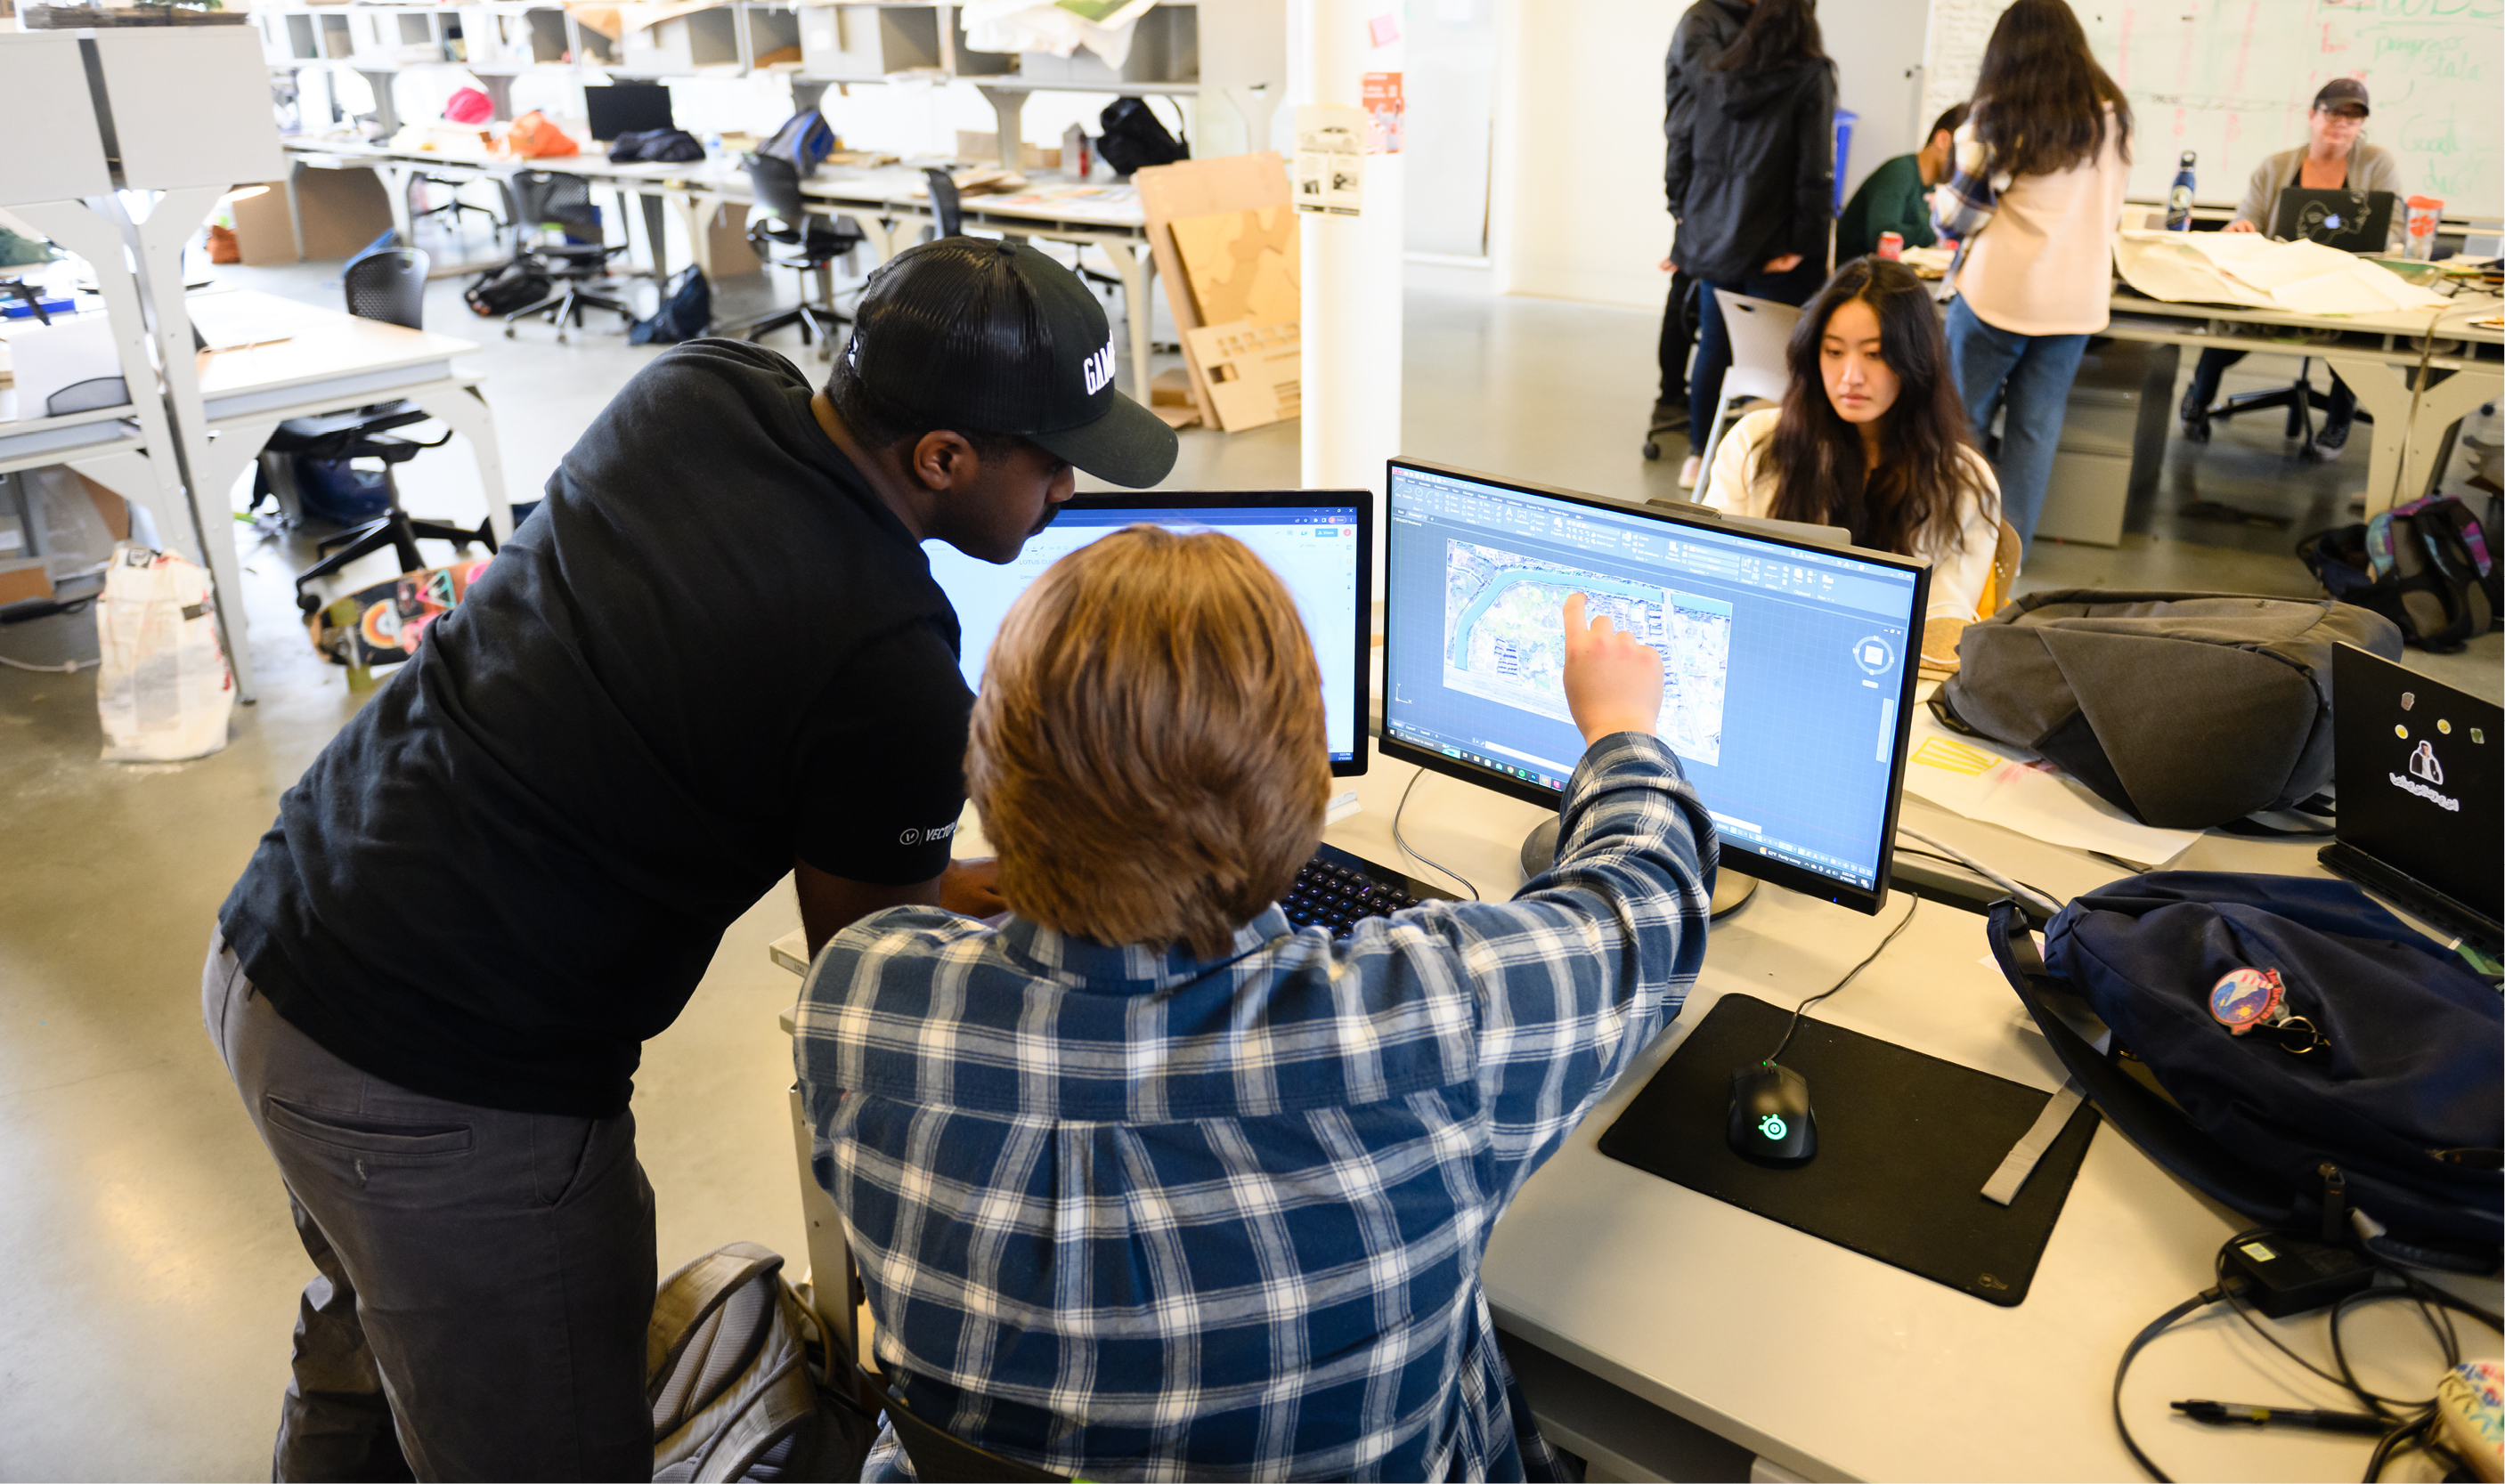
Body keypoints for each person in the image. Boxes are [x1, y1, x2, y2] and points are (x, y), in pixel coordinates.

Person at [202, 238, 1177, 1480]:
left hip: (282, 932)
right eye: (1051, 461)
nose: (1068, 492)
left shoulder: (699, 386)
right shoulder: (885, 665)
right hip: (440, 1078)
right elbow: (875, 970)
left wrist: (1004, 872)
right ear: (942, 458)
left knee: (363, 1342)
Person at [793, 528, 1715, 1480]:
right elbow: (1643, 901)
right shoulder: (1434, 1021)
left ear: (988, 770)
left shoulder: (858, 1004)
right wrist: (1619, 730)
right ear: (1300, 790)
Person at [1704, 256, 2004, 637]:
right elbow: (1712, 577)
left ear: (1915, 360)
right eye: (1834, 352)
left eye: (1874, 354)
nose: (1851, 377)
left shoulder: (1960, 481)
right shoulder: (1755, 443)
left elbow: (1941, 634)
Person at [1934, 0, 2132, 554]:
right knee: (2034, 433)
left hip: (1999, 295)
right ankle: (2007, 560)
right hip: (2076, 303)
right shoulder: (2113, 116)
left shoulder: (1999, 115)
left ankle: (1957, 547)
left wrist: (1939, 203)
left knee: (1961, 422)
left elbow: (1958, 217)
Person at [2178, 77, 2403, 458]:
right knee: (2226, 323)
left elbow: (2393, 227)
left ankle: (2338, 421)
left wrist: (2362, 244)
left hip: (2342, 280)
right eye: (2333, 113)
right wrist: (2240, 229)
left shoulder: (2376, 163)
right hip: (2276, 280)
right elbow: (2245, 220)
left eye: (2353, 117)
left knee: (2354, 341)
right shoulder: (2276, 166)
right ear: (2313, 115)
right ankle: (2198, 400)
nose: (2342, 123)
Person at [1665, 0, 1836, 491]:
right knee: (1787, 360)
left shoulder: (1718, 75)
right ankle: (1779, 464)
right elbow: (1814, 170)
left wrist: (1687, 220)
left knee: (1715, 349)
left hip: (1718, 242)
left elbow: (1685, 143)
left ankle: (1698, 457)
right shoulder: (1811, 74)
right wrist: (1806, 243)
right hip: (1777, 246)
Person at [1655, 0, 1752, 439]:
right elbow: (1718, 90)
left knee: (1702, 296)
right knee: (1687, 291)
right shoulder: (1702, 20)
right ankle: (1669, 397)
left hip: (1722, 179)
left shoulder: (1740, 18)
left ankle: (1694, 399)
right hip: (1698, 177)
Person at [1836, 103, 1969, 263]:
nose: (1968, 163)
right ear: (1943, 140)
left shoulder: (1935, 185)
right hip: (1854, 271)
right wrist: (1940, 229)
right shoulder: (1900, 172)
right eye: (1966, 149)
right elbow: (1881, 237)